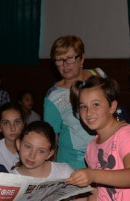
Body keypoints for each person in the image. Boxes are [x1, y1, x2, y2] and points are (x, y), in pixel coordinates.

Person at [11, 121, 85, 201]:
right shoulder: (10, 180)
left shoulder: (64, 171)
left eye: (41, 151)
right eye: (28, 146)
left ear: (49, 154)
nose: (32, 155)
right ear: (18, 144)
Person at [44, 35, 107, 170]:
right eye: (60, 60)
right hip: (75, 163)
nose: (65, 65)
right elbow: (50, 139)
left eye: (70, 58)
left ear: (82, 58)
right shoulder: (53, 97)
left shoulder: (99, 76)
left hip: (105, 153)